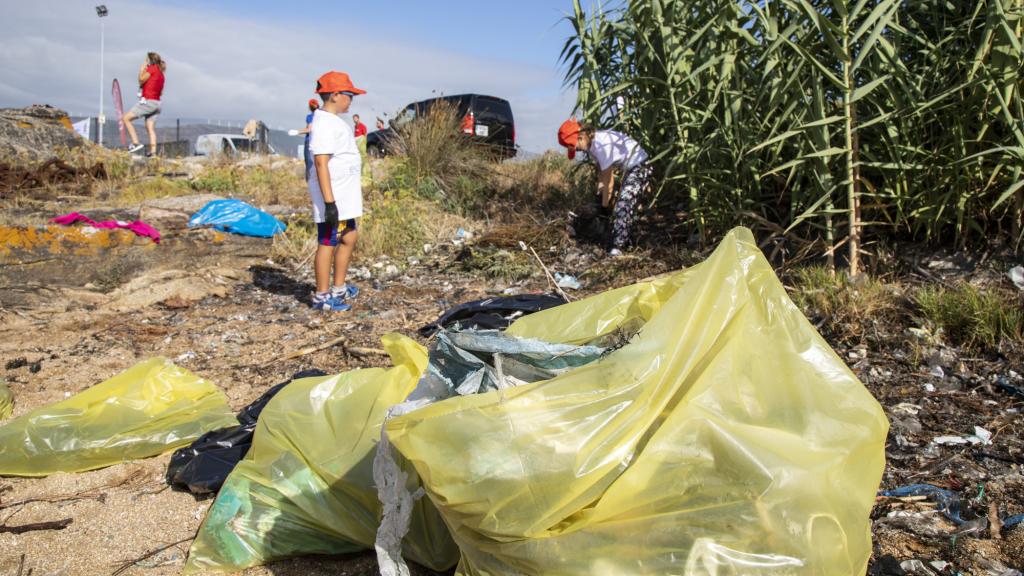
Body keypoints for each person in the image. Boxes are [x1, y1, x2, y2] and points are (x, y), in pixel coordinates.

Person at [308, 71, 366, 311]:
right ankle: (322, 296)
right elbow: (321, 162)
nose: (351, 100)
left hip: (344, 196)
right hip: (333, 197)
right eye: (349, 95)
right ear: (335, 95)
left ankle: (339, 287)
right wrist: (329, 203)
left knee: (349, 236)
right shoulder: (323, 123)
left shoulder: (333, 121)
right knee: (328, 241)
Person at [558, 119, 651, 256]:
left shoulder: (601, 146)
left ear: (582, 136)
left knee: (624, 203)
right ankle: (627, 239)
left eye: (575, 146)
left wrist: (604, 209)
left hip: (640, 167)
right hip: (629, 169)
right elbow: (601, 176)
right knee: (621, 204)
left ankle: (617, 248)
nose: (576, 150)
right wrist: (599, 196)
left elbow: (609, 181)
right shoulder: (592, 147)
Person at [122, 52, 165, 156]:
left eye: (146, 60)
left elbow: (141, 80)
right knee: (150, 128)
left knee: (126, 118)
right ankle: (153, 153)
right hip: (157, 103)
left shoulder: (152, 68)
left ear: (149, 61)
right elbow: (161, 92)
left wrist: (142, 69)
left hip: (148, 101)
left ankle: (135, 143)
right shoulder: (161, 74)